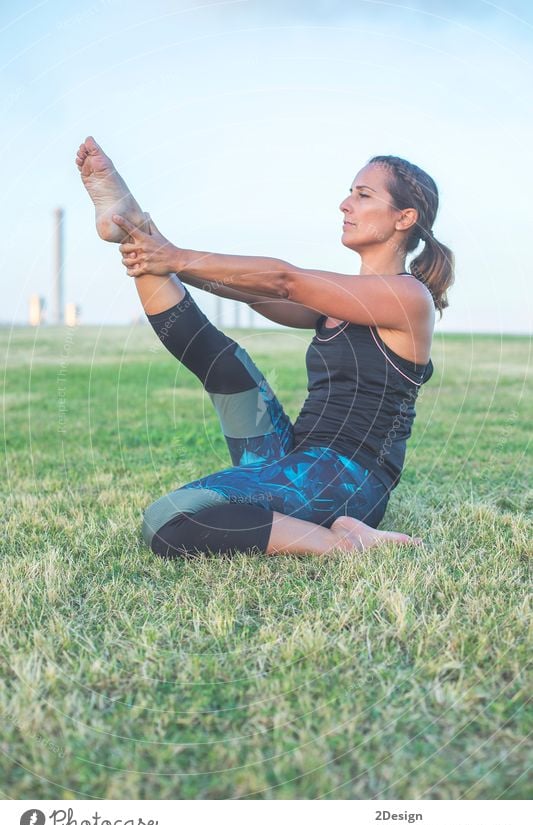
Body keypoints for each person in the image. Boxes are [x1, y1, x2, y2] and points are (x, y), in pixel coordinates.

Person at [76, 136, 454, 558]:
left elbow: (284, 280)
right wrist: (151, 241)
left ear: (404, 218)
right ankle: (128, 222)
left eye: (363, 195)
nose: (345, 204)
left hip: (349, 482)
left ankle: (342, 542)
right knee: (220, 362)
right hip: (294, 456)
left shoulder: (408, 297)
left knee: (169, 519)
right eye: (349, 193)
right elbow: (253, 291)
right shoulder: (335, 302)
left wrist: (174, 256)